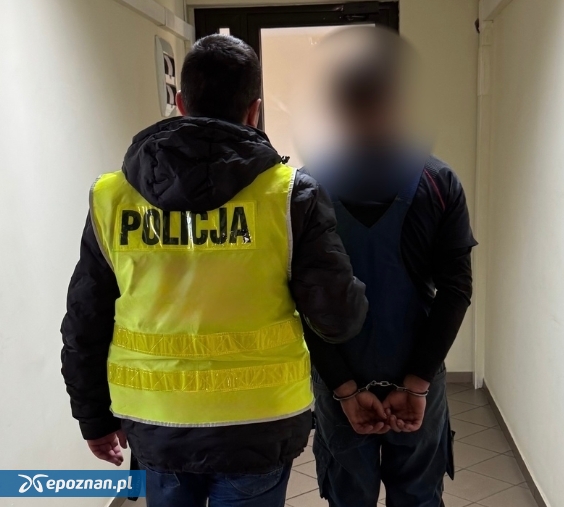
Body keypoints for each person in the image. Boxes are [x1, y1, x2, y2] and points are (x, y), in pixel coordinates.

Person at [60, 34, 367, 507]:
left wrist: (93, 416)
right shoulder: (289, 196)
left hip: (157, 420)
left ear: (181, 104)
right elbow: (337, 320)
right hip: (259, 423)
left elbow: (85, 320)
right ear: (254, 111)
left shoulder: (112, 198)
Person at [299, 28, 477, 507]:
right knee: (416, 496)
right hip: (412, 374)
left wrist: (344, 388)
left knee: (348, 496)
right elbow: (456, 290)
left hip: (345, 380)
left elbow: (303, 300)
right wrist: (416, 383)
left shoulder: (307, 189)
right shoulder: (438, 182)